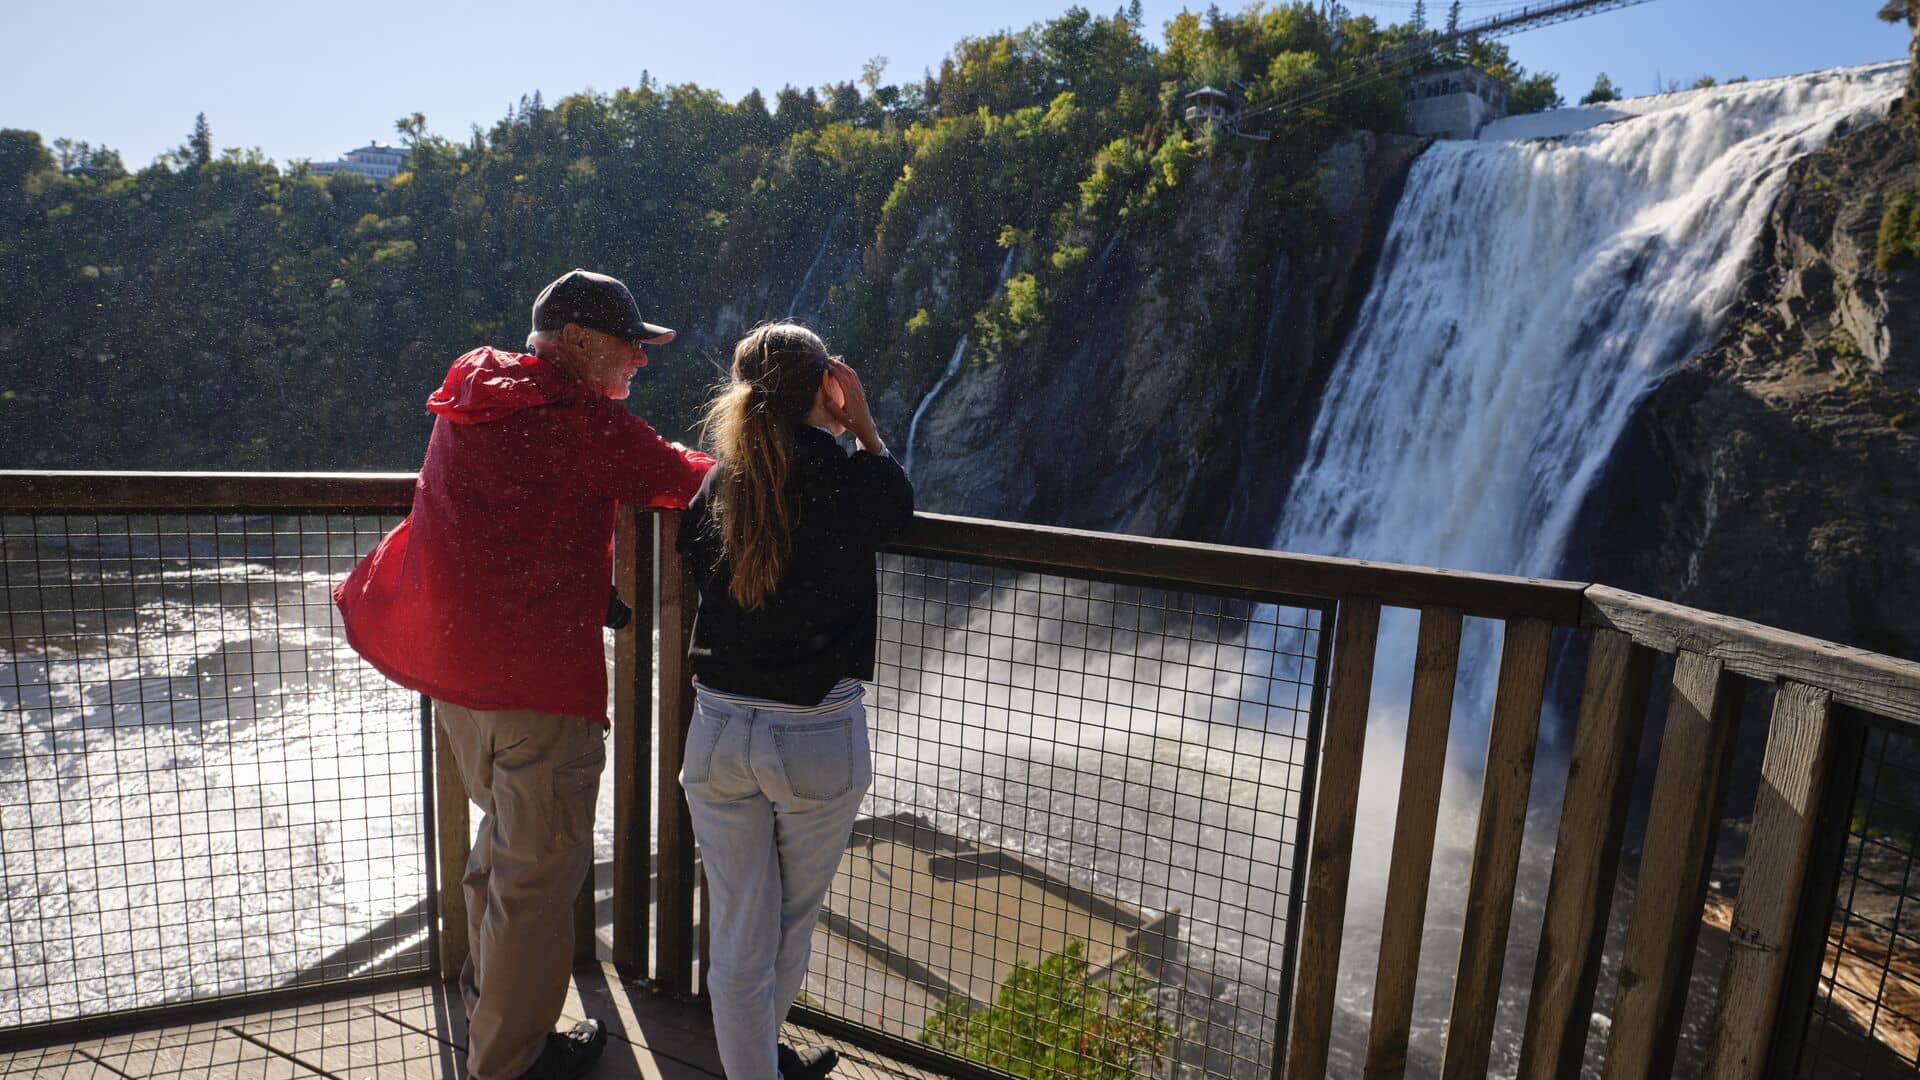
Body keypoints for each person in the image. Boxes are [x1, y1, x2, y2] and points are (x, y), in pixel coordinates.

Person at [334, 269, 713, 1080]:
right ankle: (508, 1063)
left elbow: (512, 522)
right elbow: (686, 479)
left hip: (458, 682)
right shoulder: (576, 420)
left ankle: (488, 1017)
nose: (639, 362)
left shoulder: (472, 397)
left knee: (500, 860)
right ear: (575, 342)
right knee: (538, 882)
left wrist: (587, 584)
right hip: (538, 690)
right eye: (628, 346)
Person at [676, 322, 914, 1080]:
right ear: (826, 388)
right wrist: (864, 426)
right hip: (814, 737)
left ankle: (758, 1069)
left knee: (740, 931)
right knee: (787, 924)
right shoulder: (849, 479)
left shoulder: (721, 484)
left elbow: (692, 549)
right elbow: (896, 504)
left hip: (715, 733)